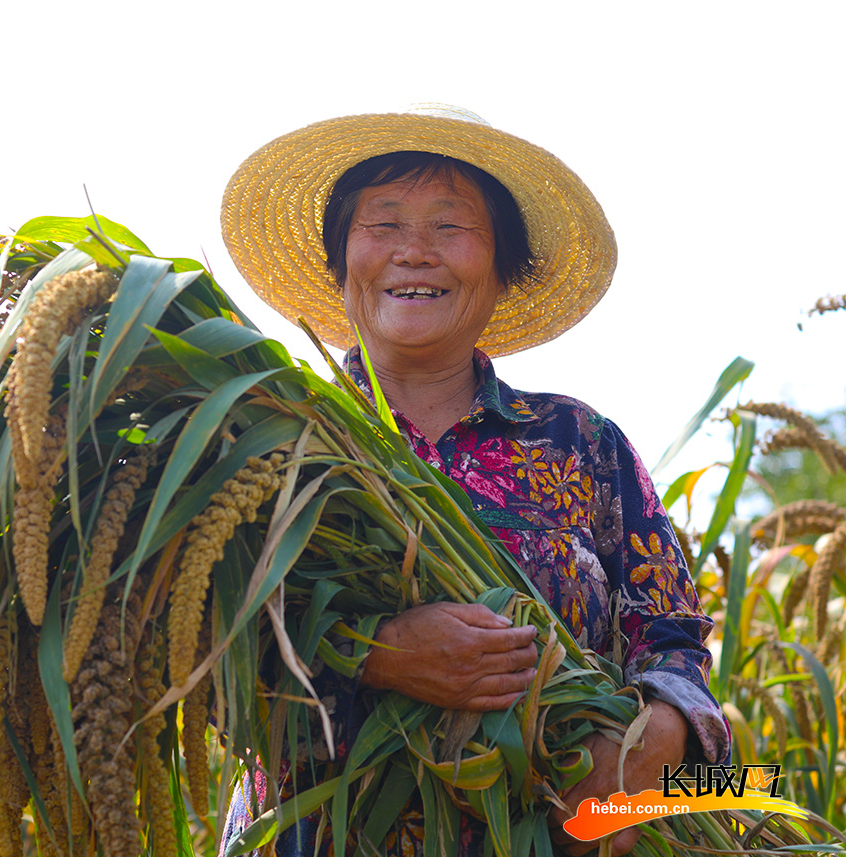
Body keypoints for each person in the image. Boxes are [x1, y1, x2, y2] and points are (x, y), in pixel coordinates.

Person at [218, 105, 729, 857]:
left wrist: (657, 737)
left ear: (500, 273)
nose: (414, 252)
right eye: (383, 224)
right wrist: (377, 654)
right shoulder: (275, 438)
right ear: (340, 262)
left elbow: (671, 633)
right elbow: (205, 653)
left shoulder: (582, 444)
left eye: (449, 227)